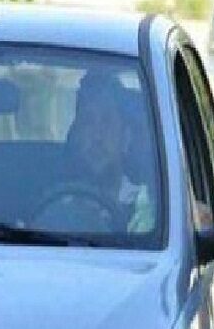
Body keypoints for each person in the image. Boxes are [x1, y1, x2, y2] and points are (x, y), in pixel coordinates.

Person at [61, 71, 154, 234]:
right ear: (76, 137)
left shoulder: (148, 207)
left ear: (125, 137)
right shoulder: (56, 206)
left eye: (107, 121)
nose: (97, 136)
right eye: (88, 122)